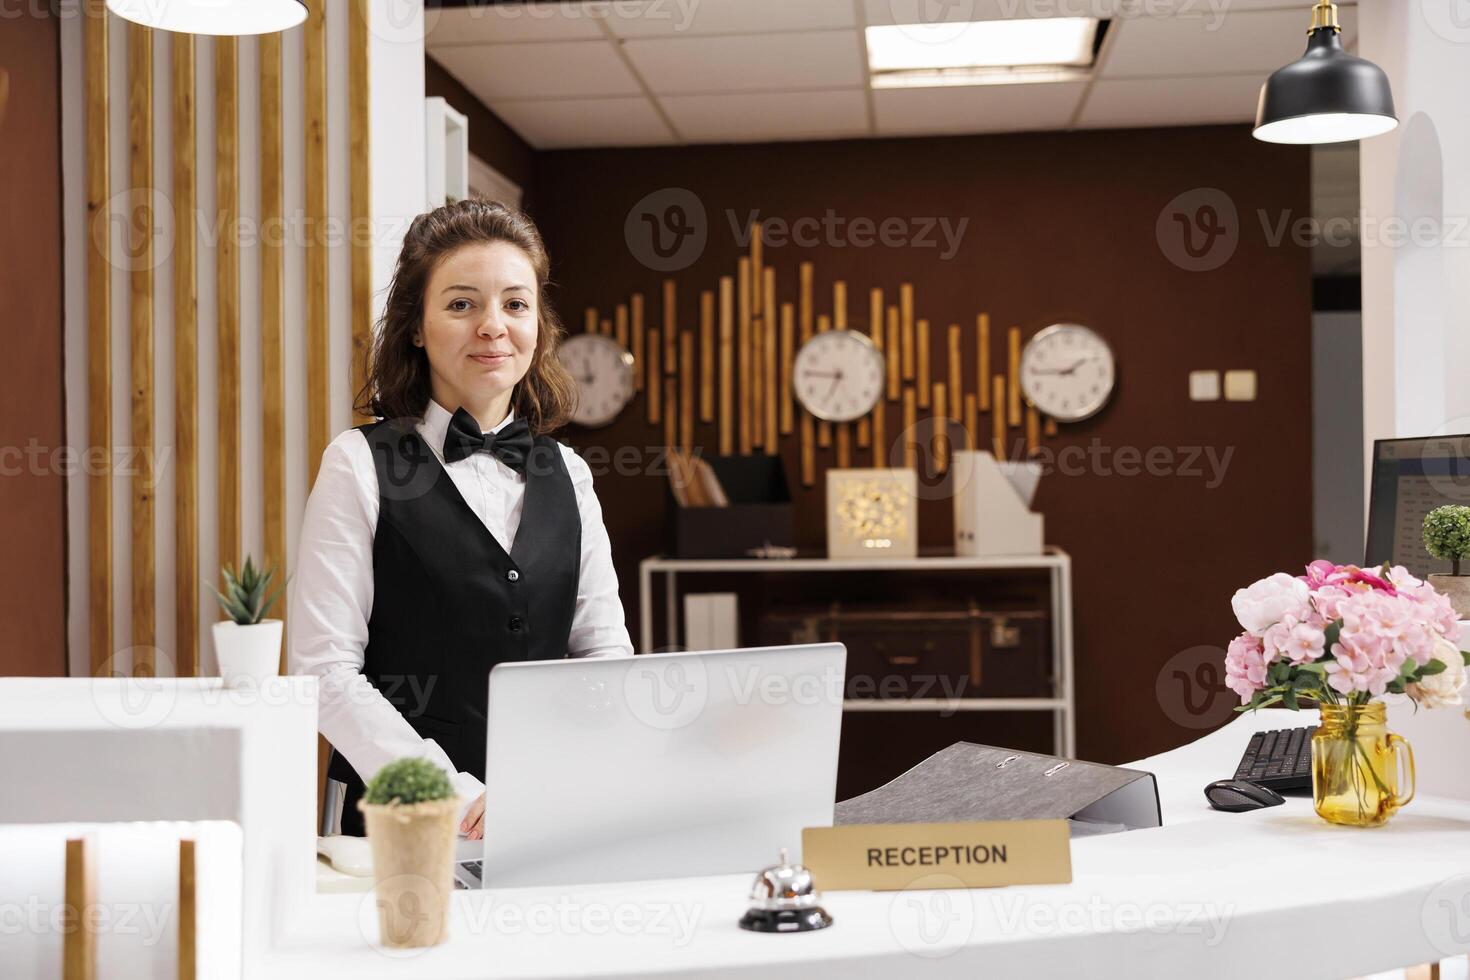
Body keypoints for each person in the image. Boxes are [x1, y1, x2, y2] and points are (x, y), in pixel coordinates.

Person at [289, 199, 633, 839]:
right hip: (397, 823)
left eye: (515, 303)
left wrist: (570, 772)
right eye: (461, 303)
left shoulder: (571, 473)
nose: (493, 326)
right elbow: (324, 671)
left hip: (550, 812)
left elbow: (603, 651)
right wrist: (449, 792)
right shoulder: (358, 463)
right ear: (416, 327)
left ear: (538, 324)